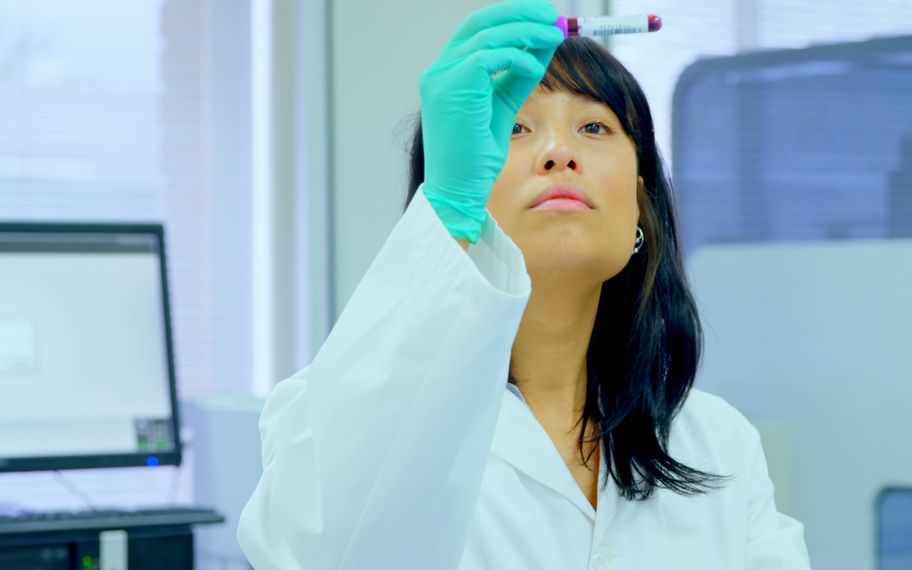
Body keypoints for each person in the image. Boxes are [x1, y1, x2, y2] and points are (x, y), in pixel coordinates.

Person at [236, 1, 810, 567]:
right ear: (460, 178)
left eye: (593, 126)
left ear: (640, 201)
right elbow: (323, 550)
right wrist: (445, 216)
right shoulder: (335, 413)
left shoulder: (718, 443)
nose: (559, 153)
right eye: (515, 127)